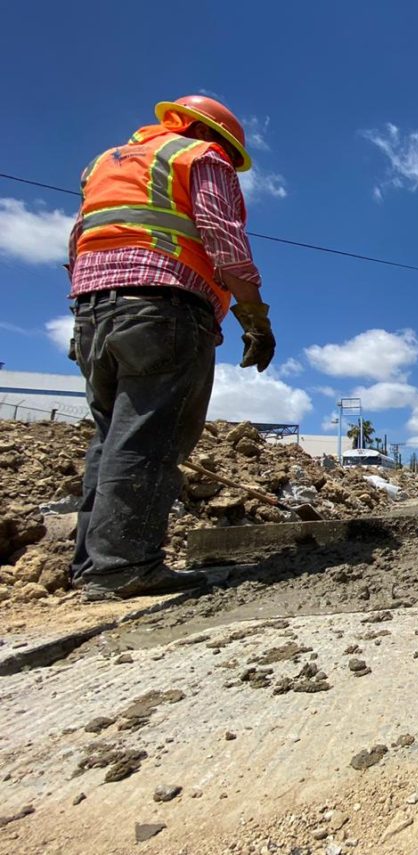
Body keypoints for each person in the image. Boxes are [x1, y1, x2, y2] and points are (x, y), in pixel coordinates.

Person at [67, 95, 276, 601]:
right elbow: (223, 240)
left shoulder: (106, 164)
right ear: (217, 138)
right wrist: (255, 316)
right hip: (165, 306)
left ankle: (93, 568)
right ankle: (126, 566)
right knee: (150, 435)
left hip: (92, 310)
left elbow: (78, 238)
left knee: (111, 435)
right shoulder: (201, 158)